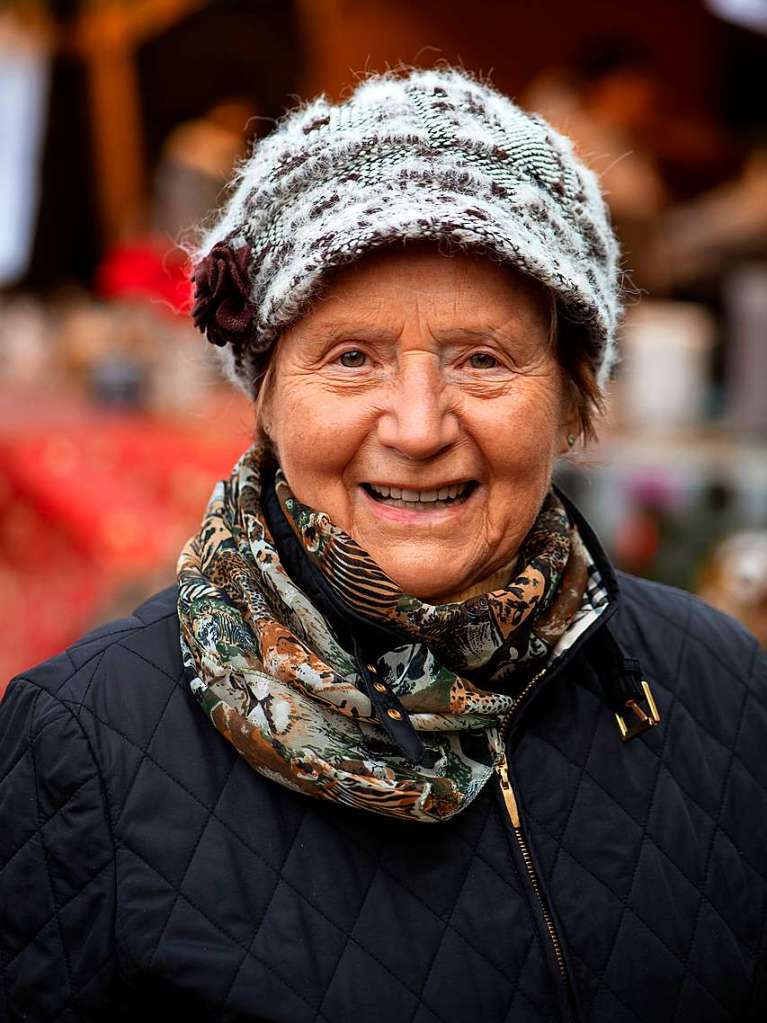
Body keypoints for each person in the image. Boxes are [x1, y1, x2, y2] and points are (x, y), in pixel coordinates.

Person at [1, 67, 766, 1023]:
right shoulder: (84, 745)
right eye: (350, 356)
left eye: (481, 359)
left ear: (574, 398)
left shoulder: (719, 688)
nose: (415, 425)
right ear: (265, 394)